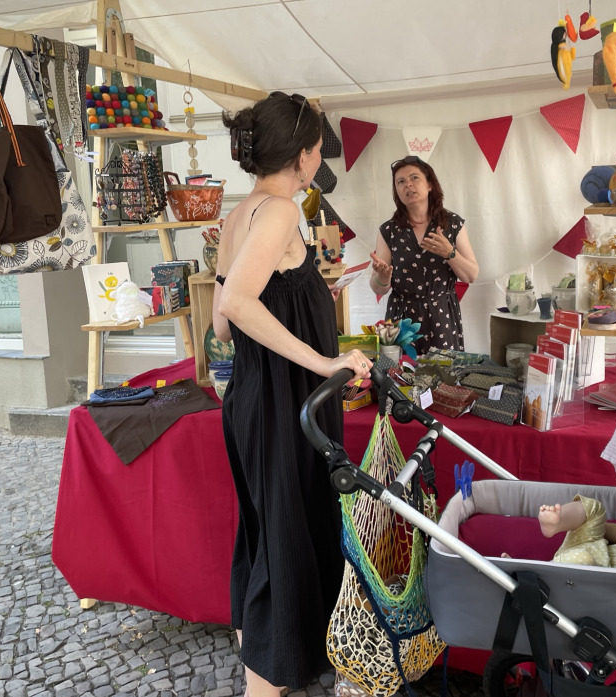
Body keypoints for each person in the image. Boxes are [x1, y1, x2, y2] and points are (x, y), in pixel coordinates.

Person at [211, 91, 373, 697]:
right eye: (317, 152)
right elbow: (235, 306)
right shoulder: (279, 211)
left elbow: (223, 325)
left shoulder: (241, 211)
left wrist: (302, 301)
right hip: (284, 403)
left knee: (270, 528)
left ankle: (265, 652)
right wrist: (323, 357)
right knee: (283, 532)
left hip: (258, 398)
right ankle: (264, 684)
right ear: (304, 157)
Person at [369, 156, 479, 355]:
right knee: (397, 379)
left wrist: (449, 253)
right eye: (400, 182)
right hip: (401, 320)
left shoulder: (452, 224)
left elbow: (471, 275)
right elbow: (377, 287)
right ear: (397, 191)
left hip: (442, 317)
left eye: (414, 178)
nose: (408, 185)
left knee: (443, 380)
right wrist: (382, 279)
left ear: (429, 184)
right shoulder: (389, 230)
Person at [538, 496, 616, 570]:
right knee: (595, 509)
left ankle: (545, 573)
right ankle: (559, 521)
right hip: (594, 546)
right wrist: (594, 525)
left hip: (605, 568)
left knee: (583, 558)